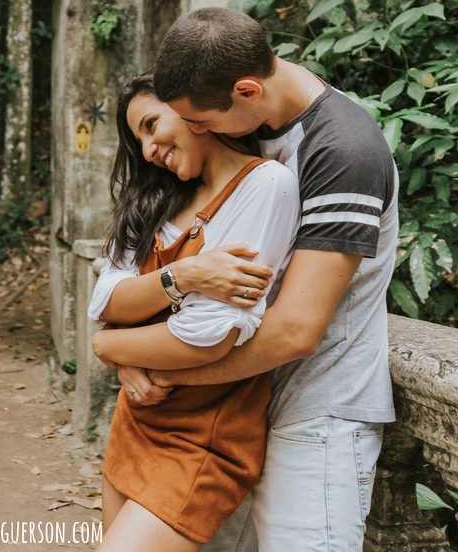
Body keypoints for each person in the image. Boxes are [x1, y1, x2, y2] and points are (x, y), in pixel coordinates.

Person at [120, 7, 399, 552]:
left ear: (247, 90)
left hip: (315, 413)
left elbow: (296, 330)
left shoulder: (342, 150)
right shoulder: (255, 131)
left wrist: (155, 365)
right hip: (233, 414)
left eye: (201, 122)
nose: (197, 133)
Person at [88, 73, 301, 551]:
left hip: (204, 438)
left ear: (190, 111)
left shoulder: (266, 184)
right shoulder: (155, 200)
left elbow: (206, 337)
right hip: (136, 417)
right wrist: (182, 277)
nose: (146, 150)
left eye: (150, 125)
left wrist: (109, 346)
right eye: (137, 139)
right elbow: (105, 301)